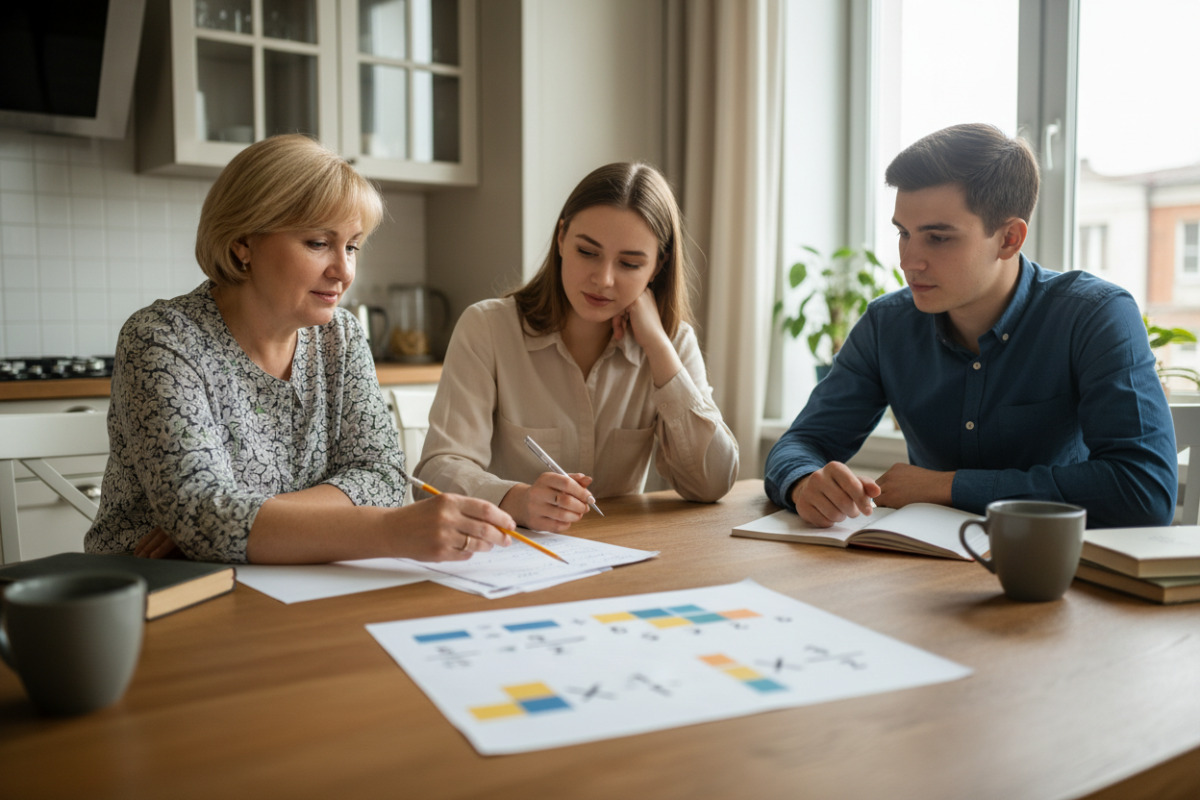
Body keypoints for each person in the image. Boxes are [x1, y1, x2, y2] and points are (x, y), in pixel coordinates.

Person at [85, 134, 515, 564]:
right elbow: (204, 516)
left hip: (295, 578)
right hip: (157, 593)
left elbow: (383, 479)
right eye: (318, 243)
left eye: (352, 247)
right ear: (243, 243)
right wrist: (385, 530)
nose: (344, 271)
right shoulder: (162, 338)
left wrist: (238, 523)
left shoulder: (340, 335)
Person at [765, 123, 1177, 529]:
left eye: (938, 238)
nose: (909, 261)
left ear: (1009, 239)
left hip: (1057, 575)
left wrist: (949, 487)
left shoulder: (1094, 315)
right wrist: (803, 482)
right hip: (922, 571)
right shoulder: (885, 324)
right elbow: (801, 443)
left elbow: (1145, 490)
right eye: (903, 233)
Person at [416, 161, 739, 532]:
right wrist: (515, 499)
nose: (603, 279)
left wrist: (658, 347)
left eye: (630, 264)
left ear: (657, 267)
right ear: (561, 238)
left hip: (621, 558)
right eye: (588, 252)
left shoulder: (671, 343)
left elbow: (713, 482)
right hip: (512, 554)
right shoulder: (487, 328)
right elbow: (434, 475)